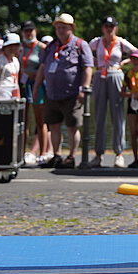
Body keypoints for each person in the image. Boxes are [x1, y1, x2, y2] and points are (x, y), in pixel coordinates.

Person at [32, 13, 92, 168]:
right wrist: (36, 86)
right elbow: (43, 67)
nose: (60, 30)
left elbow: (87, 68)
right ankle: (56, 155)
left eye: (63, 27)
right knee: (53, 126)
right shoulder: (51, 46)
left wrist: (83, 88)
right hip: (52, 94)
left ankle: (71, 157)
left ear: (71, 28)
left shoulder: (80, 45)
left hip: (72, 94)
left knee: (72, 126)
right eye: (58, 27)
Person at [86, 16, 138, 168]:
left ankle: (119, 153)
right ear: (102, 28)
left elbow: (137, 52)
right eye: (106, 26)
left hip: (116, 74)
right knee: (99, 115)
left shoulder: (121, 42)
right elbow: (85, 52)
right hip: (100, 75)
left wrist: (124, 62)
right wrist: (95, 62)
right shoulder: (96, 42)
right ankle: (98, 154)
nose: (109, 29)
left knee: (118, 116)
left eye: (112, 26)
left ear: (116, 28)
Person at [18, 20, 50, 165]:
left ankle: (42, 153)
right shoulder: (18, 48)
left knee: (40, 120)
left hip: (38, 85)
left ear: (35, 31)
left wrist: (35, 74)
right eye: (26, 31)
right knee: (23, 120)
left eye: (31, 31)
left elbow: (46, 67)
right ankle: (21, 152)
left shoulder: (42, 48)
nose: (29, 33)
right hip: (22, 85)